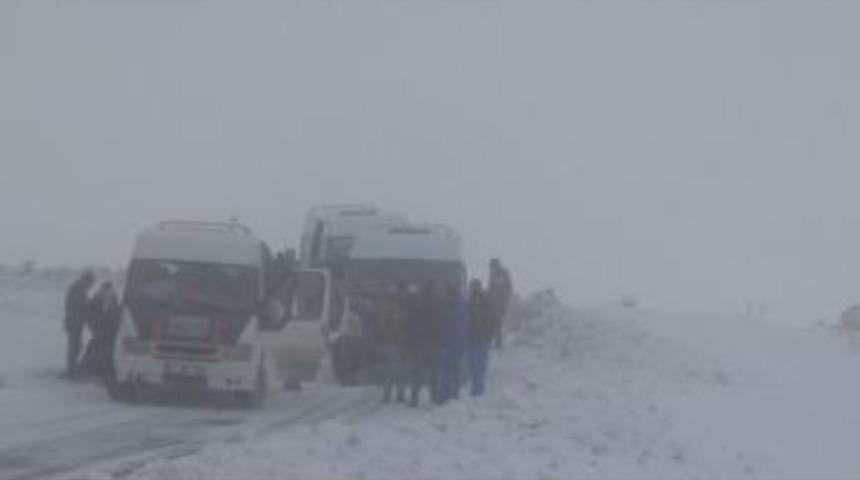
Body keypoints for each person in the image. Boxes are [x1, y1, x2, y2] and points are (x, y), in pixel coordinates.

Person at [404, 280, 442, 407]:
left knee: (417, 373)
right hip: (434, 342)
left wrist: (409, 341)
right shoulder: (437, 303)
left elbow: (408, 323)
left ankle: (414, 399)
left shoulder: (416, 303)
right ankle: (435, 397)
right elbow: (442, 323)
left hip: (418, 342)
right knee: (434, 372)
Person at [81, 281, 121, 382]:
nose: (107, 292)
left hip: (109, 332)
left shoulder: (113, 299)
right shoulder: (97, 299)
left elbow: (116, 315)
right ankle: (89, 370)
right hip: (100, 330)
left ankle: (102, 371)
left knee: (105, 351)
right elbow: (90, 314)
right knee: (95, 349)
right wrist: (96, 326)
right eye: (105, 289)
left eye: (108, 289)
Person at [63, 270, 95, 379]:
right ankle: (71, 371)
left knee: (76, 346)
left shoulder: (78, 288)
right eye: (91, 283)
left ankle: (72, 369)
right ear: (86, 280)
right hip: (74, 322)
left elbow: (82, 305)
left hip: (74, 321)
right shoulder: (78, 289)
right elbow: (82, 305)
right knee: (75, 346)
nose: (91, 286)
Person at [440, 281, 468, 403]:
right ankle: (454, 392)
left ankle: (447, 393)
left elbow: (447, 325)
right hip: (458, 342)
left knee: (446, 369)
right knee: (454, 369)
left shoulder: (449, 306)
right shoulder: (461, 305)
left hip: (449, 342)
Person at [378, 285, 407, 403]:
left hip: (387, 342)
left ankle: (387, 394)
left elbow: (382, 325)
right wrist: (401, 339)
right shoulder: (394, 307)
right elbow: (397, 326)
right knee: (397, 370)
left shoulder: (384, 306)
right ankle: (398, 395)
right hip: (395, 342)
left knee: (389, 369)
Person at [467, 279, 494, 396]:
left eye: (473, 287)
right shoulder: (471, 302)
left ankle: (479, 390)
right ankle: (476, 389)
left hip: (481, 338)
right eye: (471, 287)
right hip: (474, 338)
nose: (471, 289)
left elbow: (492, 319)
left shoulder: (484, 301)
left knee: (479, 366)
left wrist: (490, 334)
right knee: (474, 366)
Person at [487, 258, 513, 348]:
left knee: (496, 322)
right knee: (493, 322)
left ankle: (497, 341)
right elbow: (491, 289)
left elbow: (504, 289)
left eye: (492, 266)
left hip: (499, 304)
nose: (491, 268)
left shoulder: (501, 274)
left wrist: (502, 301)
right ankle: (494, 340)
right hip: (494, 303)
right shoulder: (493, 275)